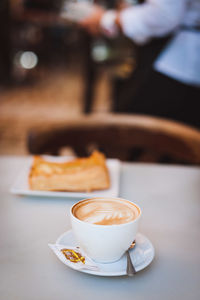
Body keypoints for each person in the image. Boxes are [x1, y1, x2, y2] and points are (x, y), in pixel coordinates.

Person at [79, 0, 200, 128]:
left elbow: (163, 15)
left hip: (176, 64)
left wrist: (107, 20)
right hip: (183, 65)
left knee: (125, 135)